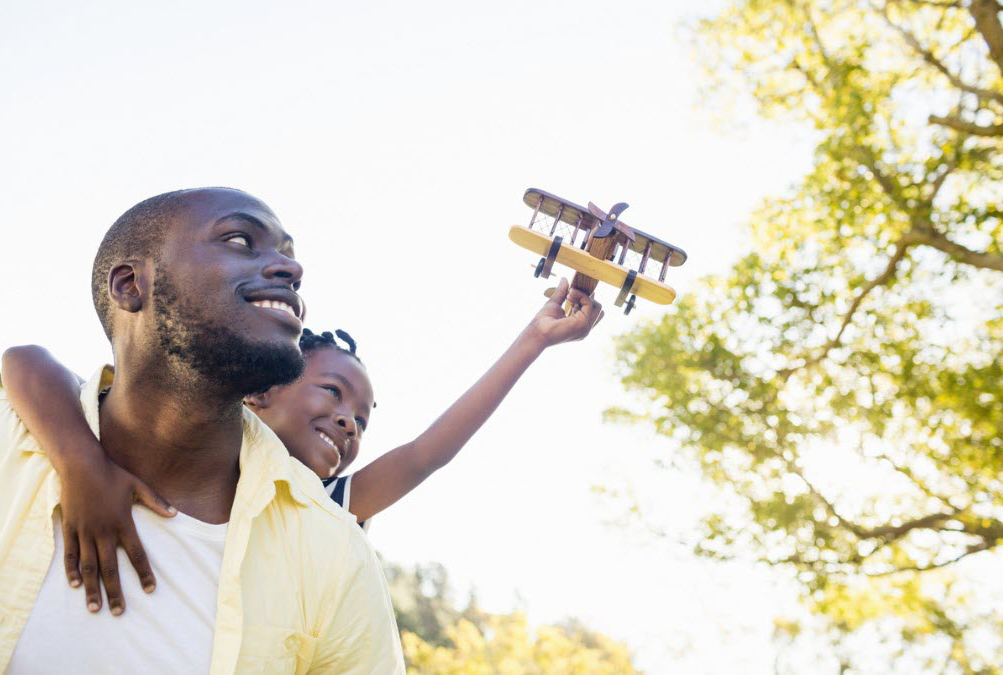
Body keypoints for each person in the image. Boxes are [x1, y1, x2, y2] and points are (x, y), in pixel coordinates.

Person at [1, 277, 602, 615]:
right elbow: (26, 362)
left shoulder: (324, 505)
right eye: (333, 394)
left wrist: (534, 341)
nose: (349, 423)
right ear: (258, 393)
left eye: (362, 420)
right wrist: (83, 465)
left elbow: (426, 453)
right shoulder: (173, 436)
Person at [0, 187, 404, 673]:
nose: (291, 270)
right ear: (132, 285)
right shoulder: (14, 441)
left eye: (289, 255)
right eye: (239, 240)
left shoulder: (336, 555)